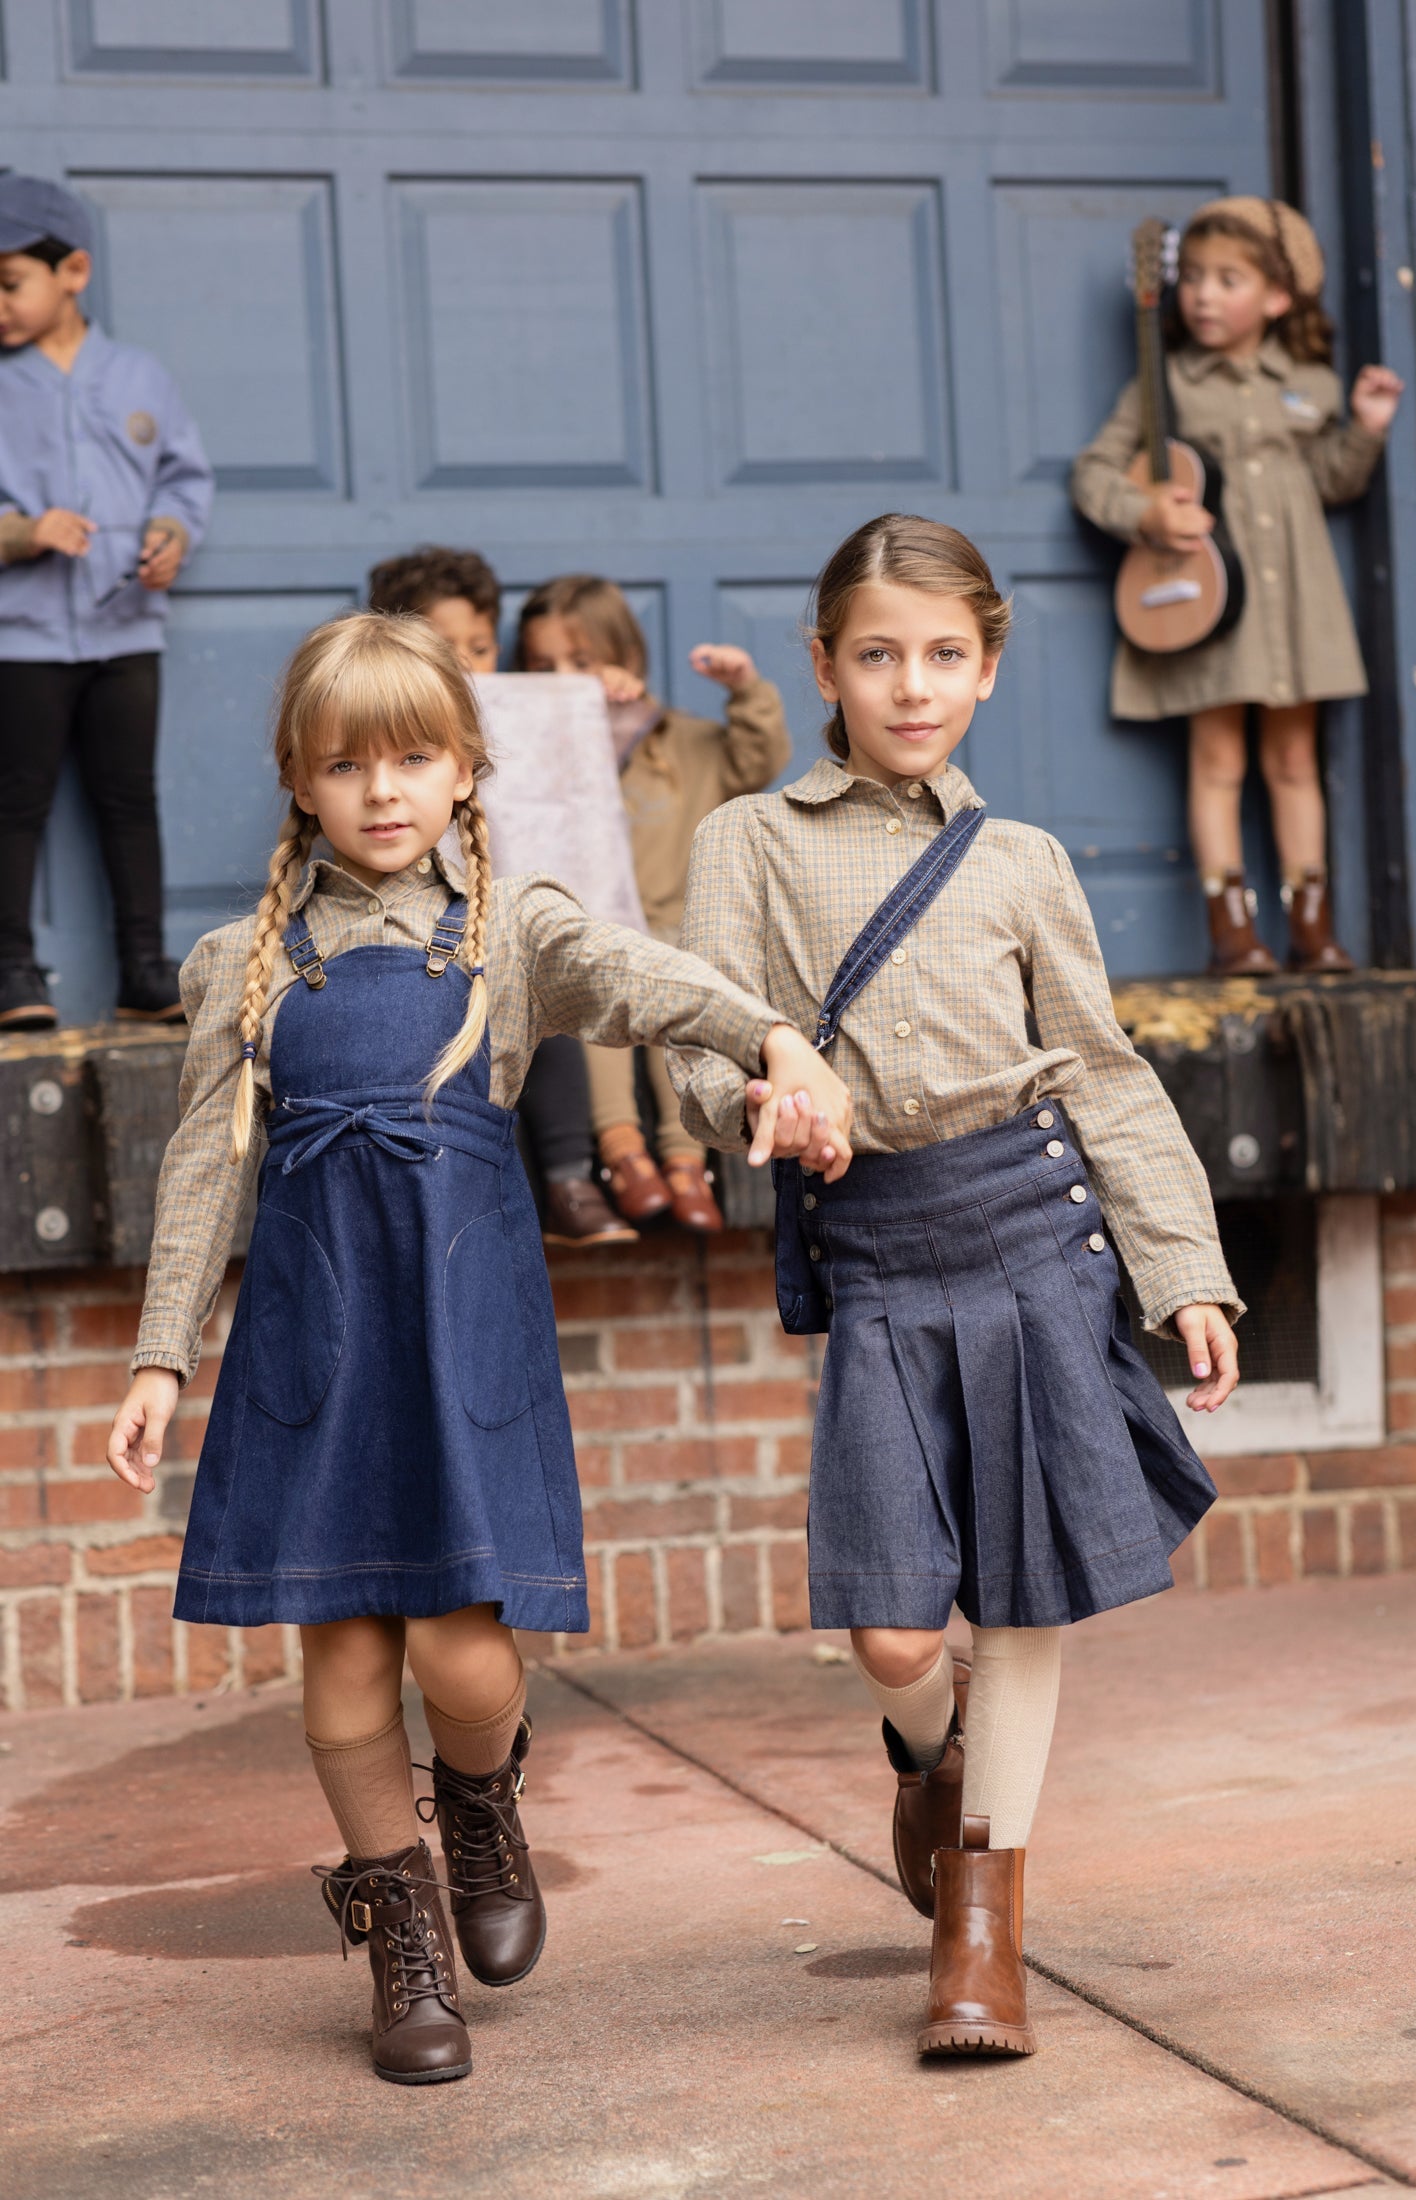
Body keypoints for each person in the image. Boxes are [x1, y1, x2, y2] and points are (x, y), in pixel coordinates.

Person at [103, 611, 850, 2087]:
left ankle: (479, 1796)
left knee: (462, 1656)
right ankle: (401, 1943)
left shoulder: (508, 931)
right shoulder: (243, 963)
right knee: (335, 1668)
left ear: (464, 772)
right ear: (297, 784)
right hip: (314, 1352)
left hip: (458, 1346)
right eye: (346, 764)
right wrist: (157, 1357)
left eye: (414, 757)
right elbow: (202, 1172)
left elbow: (649, 983)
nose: (382, 790)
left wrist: (776, 1038)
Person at [669, 514, 1242, 2059]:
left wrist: (1181, 1269)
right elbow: (696, 1040)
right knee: (893, 1631)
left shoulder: (1021, 863)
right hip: (879, 1247)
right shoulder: (747, 842)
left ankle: (979, 1940)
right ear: (823, 667)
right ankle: (927, 1760)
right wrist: (759, 1105)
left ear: (985, 667)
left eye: (940, 656)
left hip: (1032, 1233)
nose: (908, 686)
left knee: (1028, 1585)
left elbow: (1104, 1081)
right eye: (875, 655)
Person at [1071, 197, 1402, 976]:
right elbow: (1093, 471)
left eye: (1229, 279)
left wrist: (1364, 428)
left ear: (1278, 298)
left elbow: (1329, 481)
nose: (1203, 295)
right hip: (1209, 603)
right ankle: (1231, 932)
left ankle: (1311, 928)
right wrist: (1144, 511)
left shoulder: (1309, 386)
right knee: (1216, 759)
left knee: (1293, 760)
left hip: (1294, 604)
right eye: (1193, 278)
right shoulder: (1169, 386)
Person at [368, 546, 633, 1248]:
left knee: (531, 1005)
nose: (465, 666)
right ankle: (492, 1199)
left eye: (479, 648)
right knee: (460, 1041)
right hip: (420, 945)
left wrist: (591, 701)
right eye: (440, 650)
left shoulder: (526, 719)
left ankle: (573, 1180)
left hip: (508, 931)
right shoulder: (378, 736)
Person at [0, 174, 213, 1030]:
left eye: (9, 284)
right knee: (17, 804)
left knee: (131, 800)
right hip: (25, 640)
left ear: (73, 271)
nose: (0, 306)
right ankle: (14, 971)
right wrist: (24, 533)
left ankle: (144, 969)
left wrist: (170, 535)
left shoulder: (139, 376)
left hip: (127, 629)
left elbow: (185, 481)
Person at [518, 575, 790, 1231]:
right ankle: (623, 1154)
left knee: (686, 1028)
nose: (562, 680)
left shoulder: (679, 742)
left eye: (580, 664)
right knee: (597, 1021)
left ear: (626, 661)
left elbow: (758, 758)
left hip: (676, 931)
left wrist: (744, 688)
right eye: (542, 666)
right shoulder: (540, 751)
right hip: (595, 934)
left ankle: (686, 1164)